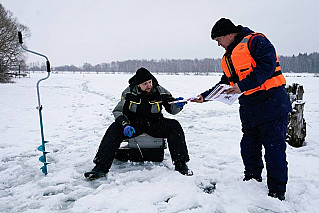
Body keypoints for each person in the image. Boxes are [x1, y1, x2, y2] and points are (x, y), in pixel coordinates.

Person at [192, 18, 292, 201]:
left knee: (274, 150)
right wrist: (204, 97)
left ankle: (277, 192)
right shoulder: (228, 57)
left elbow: (266, 67)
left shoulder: (257, 41)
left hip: (272, 104)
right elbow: (226, 83)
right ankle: (252, 180)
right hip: (249, 109)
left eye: (219, 40)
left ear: (229, 34)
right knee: (248, 147)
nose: (219, 44)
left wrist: (242, 85)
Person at [85, 67, 193, 180]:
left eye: (150, 82)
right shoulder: (128, 93)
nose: (149, 85)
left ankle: (181, 164)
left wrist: (178, 105)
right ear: (138, 84)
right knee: (114, 129)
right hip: (133, 125)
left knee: (174, 126)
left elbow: (172, 109)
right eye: (145, 84)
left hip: (155, 123)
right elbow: (118, 111)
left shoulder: (160, 91)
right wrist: (125, 125)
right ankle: (101, 167)